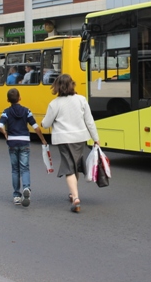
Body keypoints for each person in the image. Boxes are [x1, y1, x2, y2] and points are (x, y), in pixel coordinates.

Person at [41, 74, 100, 213]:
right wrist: (96, 138)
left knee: (69, 167)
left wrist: (44, 122)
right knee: (75, 165)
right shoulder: (81, 100)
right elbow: (89, 121)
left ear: (57, 87)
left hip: (64, 139)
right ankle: (73, 193)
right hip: (80, 138)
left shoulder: (54, 103)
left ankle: (75, 198)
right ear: (72, 85)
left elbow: (46, 124)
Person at [0, 88, 48, 207]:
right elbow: (35, 127)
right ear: (20, 98)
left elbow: (0, 125)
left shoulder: (6, 111)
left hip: (12, 142)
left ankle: (16, 195)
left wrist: (5, 134)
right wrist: (43, 139)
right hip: (24, 141)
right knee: (25, 168)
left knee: (15, 169)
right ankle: (26, 188)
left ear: (7, 100)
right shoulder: (26, 111)